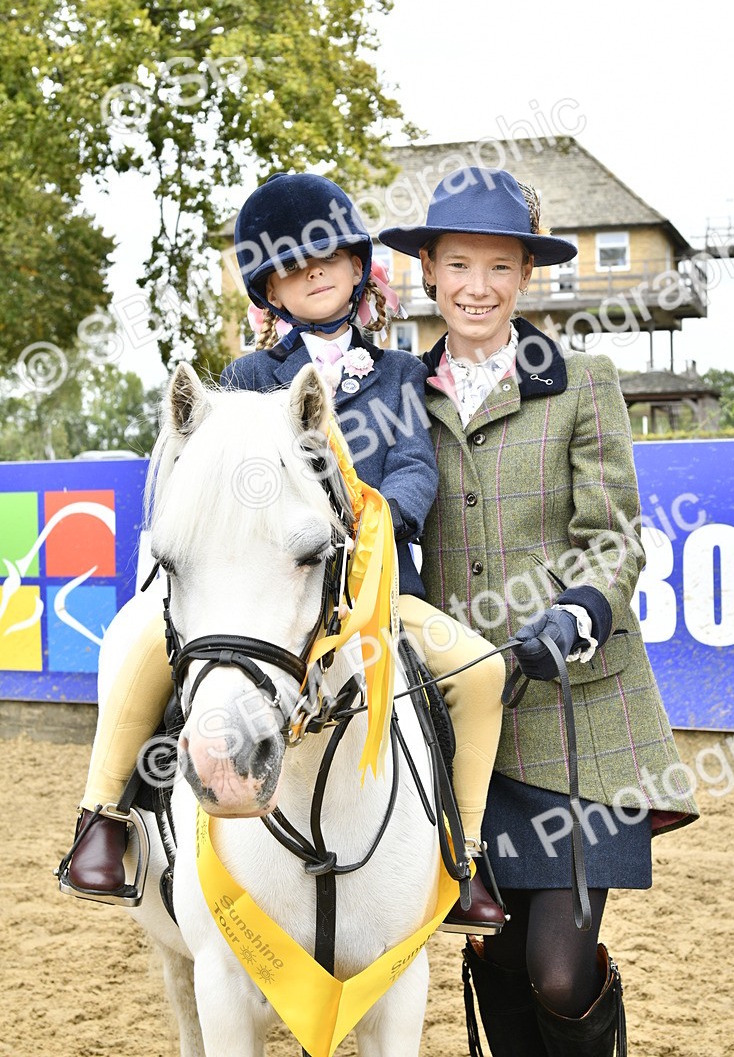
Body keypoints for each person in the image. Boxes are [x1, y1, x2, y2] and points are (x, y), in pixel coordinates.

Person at [62, 172, 507, 936]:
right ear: (268, 286)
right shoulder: (246, 379)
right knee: (137, 637)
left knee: (481, 672)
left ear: (356, 263)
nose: (313, 271)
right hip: (267, 592)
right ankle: (104, 819)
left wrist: (362, 524)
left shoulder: (401, 374)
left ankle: (461, 855)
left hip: (373, 593)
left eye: (327, 254)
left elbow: (414, 470)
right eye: (291, 263)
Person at [379, 167, 699, 1056]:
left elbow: (617, 538)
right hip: (461, 730)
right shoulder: (399, 399)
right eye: (457, 266)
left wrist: (578, 612)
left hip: (575, 720)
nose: (476, 287)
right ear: (429, 275)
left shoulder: (584, 382)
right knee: (495, 964)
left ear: (525, 278)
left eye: (498, 268)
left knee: (558, 970)